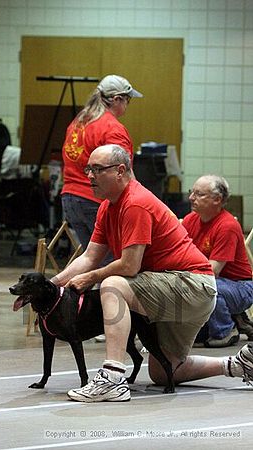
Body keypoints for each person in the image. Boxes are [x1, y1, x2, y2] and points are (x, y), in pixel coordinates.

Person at [52, 144, 253, 403]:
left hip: (193, 286)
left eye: (97, 169)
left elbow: (129, 266)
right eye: (88, 169)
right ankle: (237, 365)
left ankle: (112, 377)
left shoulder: (135, 203)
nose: (89, 175)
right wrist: (52, 286)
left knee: (113, 284)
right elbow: (90, 257)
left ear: (120, 171)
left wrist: (91, 278)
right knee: (165, 370)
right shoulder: (107, 207)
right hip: (179, 289)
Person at [61, 74, 142, 251]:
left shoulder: (78, 123)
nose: (127, 106)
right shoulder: (112, 128)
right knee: (111, 262)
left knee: (92, 260)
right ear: (117, 99)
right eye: (127, 101)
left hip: (70, 199)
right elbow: (123, 172)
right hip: (95, 201)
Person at [182, 175, 253, 348]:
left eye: (199, 194)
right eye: (192, 192)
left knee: (207, 287)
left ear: (217, 200)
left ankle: (226, 330)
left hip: (241, 286)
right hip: (216, 281)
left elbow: (212, 271)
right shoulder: (191, 220)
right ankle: (236, 317)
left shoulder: (226, 226)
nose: (191, 198)